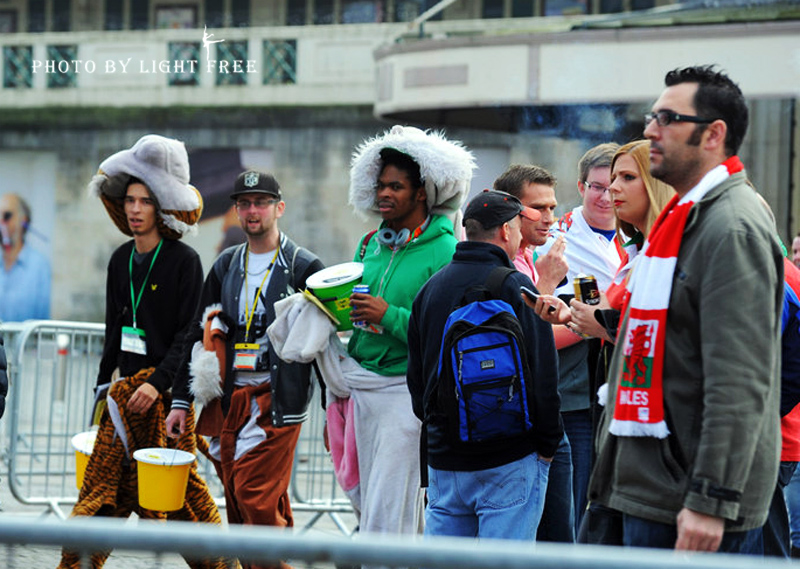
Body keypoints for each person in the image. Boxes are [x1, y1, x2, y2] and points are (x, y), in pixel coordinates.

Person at [586, 65, 783, 553]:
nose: (651, 130)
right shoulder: (684, 218)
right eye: (652, 117)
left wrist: (711, 499)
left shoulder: (730, 227)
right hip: (654, 488)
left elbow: (739, 378)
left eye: (668, 118)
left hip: (686, 499)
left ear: (713, 134)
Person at [59, 134, 226, 569]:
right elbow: (113, 332)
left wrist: (158, 384)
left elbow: (189, 334)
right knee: (98, 498)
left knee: (186, 506)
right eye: (130, 200)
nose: (135, 209)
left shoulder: (184, 260)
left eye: (145, 201)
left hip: (166, 404)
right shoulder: (119, 260)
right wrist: (102, 392)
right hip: (123, 404)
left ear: (160, 208)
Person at [167, 170, 324, 569]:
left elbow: (323, 340)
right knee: (241, 501)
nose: (253, 211)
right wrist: (181, 401)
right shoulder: (226, 265)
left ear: (279, 208)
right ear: (236, 211)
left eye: (261, 203)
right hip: (230, 399)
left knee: (253, 494)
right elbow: (198, 331)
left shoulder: (303, 266)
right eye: (245, 203)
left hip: (279, 401)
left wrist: (334, 411)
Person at [343, 125, 475, 537]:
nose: (384, 194)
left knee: (390, 505)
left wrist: (388, 316)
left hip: (406, 392)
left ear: (421, 193)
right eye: (380, 186)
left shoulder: (446, 250)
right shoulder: (370, 243)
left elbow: (444, 333)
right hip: (361, 388)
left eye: (396, 187)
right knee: (370, 502)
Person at [407, 189, 562, 540]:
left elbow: (417, 380)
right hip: (508, 456)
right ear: (506, 231)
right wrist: (548, 444)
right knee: (502, 562)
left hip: (445, 459)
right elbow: (543, 371)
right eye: (519, 227)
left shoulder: (430, 289)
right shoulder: (516, 285)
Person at [537, 142, 621, 534]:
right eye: (596, 187)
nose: (605, 196)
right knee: (571, 509)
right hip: (573, 397)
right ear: (581, 186)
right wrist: (587, 322)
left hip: (623, 393)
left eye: (614, 185)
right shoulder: (557, 242)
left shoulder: (641, 240)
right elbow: (540, 329)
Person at [493, 164, 574, 543]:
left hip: (543, 414)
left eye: (552, 207)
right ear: (511, 212)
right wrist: (548, 285)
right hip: (520, 421)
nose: (549, 218)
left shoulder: (529, 256)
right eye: (538, 208)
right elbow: (526, 340)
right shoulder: (505, 265)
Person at [0, 193, 51, 321]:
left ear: (23, 221)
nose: (1, 223)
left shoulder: (39, 266)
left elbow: (41, 321)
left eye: (7, 216)